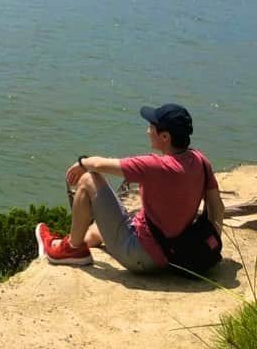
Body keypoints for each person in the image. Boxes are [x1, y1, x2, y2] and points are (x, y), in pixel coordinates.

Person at [35, 103, 225, 272]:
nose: (147, 131)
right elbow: (217, 208)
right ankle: (72, 242)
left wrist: (82, 162)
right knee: (97, 229)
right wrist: (211, 244)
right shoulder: (200, 161)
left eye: (152, 127)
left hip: (140, 255)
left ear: (165, 136)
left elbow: (99, 166)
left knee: (88, 180)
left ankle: (72, 250)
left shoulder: (155, 166)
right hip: (173, 251)